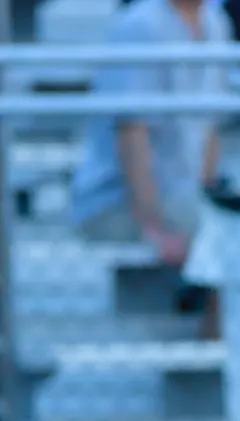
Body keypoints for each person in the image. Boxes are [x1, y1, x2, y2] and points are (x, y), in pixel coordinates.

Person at [70, 0, 231, 267]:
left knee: (233, 227)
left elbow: (211, 125)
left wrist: (208, 199)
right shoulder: (140, 26)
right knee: (215, 235)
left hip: (182, 197)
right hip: (116, 203)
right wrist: (155, 228)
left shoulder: (217, 23)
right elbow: (132, 134)